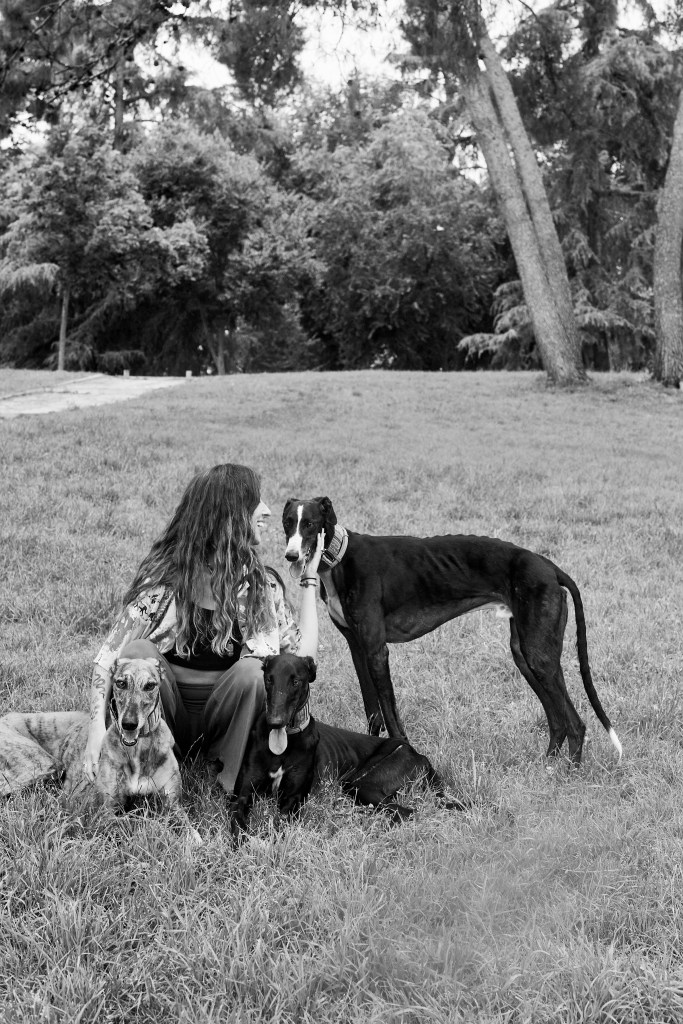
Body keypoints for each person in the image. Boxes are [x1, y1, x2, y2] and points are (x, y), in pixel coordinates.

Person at [83, 463, 323, 798]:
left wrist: (310, 580)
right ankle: (148, 768)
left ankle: (228, 780)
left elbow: (300, 662)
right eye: (256, 501)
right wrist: (96, 730)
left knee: (255, 672)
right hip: (165, 714)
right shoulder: (164, 584)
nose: (266, 510)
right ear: (230, 516)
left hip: (225, 722)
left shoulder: (258, 587)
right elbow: (107, 659)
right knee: (137, 653)